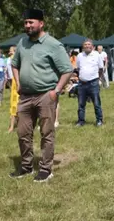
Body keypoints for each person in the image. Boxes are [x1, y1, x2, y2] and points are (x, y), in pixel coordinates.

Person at [10, 9, 73, 182]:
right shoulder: (22, 43)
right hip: (25, 96)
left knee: (46, 133)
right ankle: (26, 166)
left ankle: (46, 169)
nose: (28, 25)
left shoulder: (53, 44)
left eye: (31, 22)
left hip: (46, 95)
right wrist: (18, 83)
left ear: (41, 23)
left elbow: (67, 70)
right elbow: (14, 64)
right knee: (23, 133)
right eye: (25, 23)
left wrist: (56, 91)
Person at [76, 39, 104, 127]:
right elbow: (78, 68)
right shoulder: (79, 55)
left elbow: (101, 69)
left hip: (93, 83)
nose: (87, 46)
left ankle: (99, 120)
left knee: (96, 103)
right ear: (83, 46)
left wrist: (98, 79)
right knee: (81, 104)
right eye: (85, 44)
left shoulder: (97, 55)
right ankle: (81, 121)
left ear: (92, 46)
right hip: (82, 83)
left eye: (89, 44)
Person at [7, 46, 20, 133]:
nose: (9, 52)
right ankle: (12, 126)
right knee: (13, 104)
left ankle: (19, 125)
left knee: (19, 104)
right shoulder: (11, 58)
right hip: (14, 83)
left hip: (18, 82)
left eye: (10, 51)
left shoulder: (16, 58)